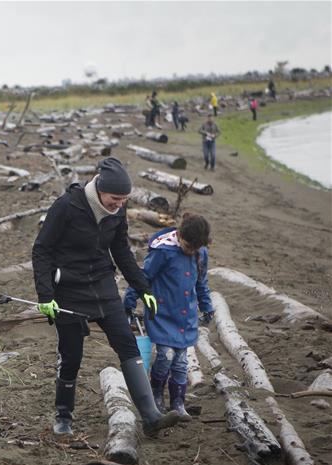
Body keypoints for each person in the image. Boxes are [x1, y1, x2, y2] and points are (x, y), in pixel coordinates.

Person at [31, 157, 180, 437]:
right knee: (71, 355)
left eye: (124, 200)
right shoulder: (67, 206)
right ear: (100, 189)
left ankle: (150, 416)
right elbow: (41, 250)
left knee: (127, 344)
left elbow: (122, 251)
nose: (119, 204)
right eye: (115, 198)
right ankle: (63, 416)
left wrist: (143, 288)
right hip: (69, 290)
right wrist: (46, 295)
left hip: (103, 286)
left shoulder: (118, 212)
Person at [124, 214, 214, 421]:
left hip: (186, 316)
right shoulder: (163, 251)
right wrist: (129, 302)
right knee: (165, 356)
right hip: (162, 314)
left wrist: (206, 306)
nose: (190, 251)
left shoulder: (201, 253)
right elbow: (143, 277)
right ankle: (156, 395)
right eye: (187, 245)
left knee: (182, 362)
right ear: (180, 235)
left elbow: (202, 283)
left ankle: (178, 402)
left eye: (195, 248)